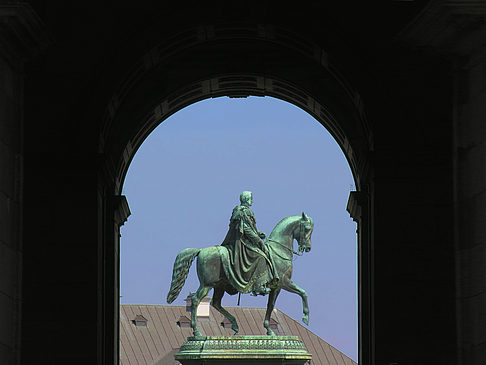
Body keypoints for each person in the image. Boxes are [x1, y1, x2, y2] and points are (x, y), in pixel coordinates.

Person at [221, 191, 279, 296]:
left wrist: (258, 233)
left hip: (241, 240)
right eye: (251, 198)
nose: (252, 201)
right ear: (246, 199)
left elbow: (249, 227)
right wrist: (257, 239)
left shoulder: (237, 210)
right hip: (242, 243)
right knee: (261, 256)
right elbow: (245, 229)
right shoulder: (245, 211)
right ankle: (258, 285)